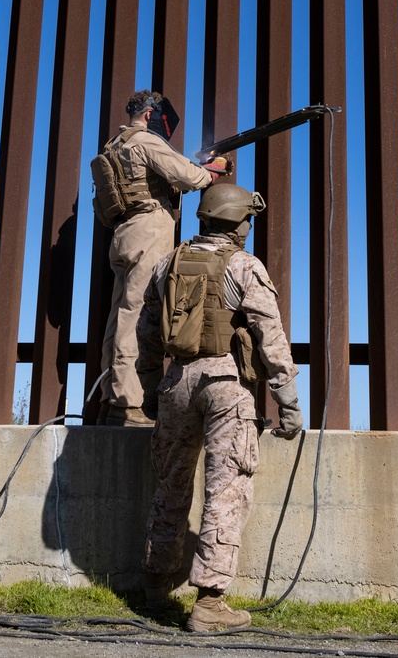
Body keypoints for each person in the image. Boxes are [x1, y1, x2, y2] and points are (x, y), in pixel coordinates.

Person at [137, 182, 304, 633]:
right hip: (226, 384)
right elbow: (270, 335)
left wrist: (153, 388)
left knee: (170, 483)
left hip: (177, 381)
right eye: (247, 218)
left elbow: (148, 333)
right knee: (226, 490)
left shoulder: (166, 264)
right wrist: (288, 401)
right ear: (236, 223)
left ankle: (155, 587)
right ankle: (209, 605)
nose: (250, 226)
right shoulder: (243, 266)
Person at [97, 91, 229, 427]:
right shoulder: (145, 140)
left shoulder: (115, 144)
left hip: (124, 233)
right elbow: (190, 176)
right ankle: (127, 405)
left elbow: (152, 181)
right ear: (150, 113)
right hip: (148, 232)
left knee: (119, 317)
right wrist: (213, 170)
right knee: (137, 314)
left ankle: (112, 398)